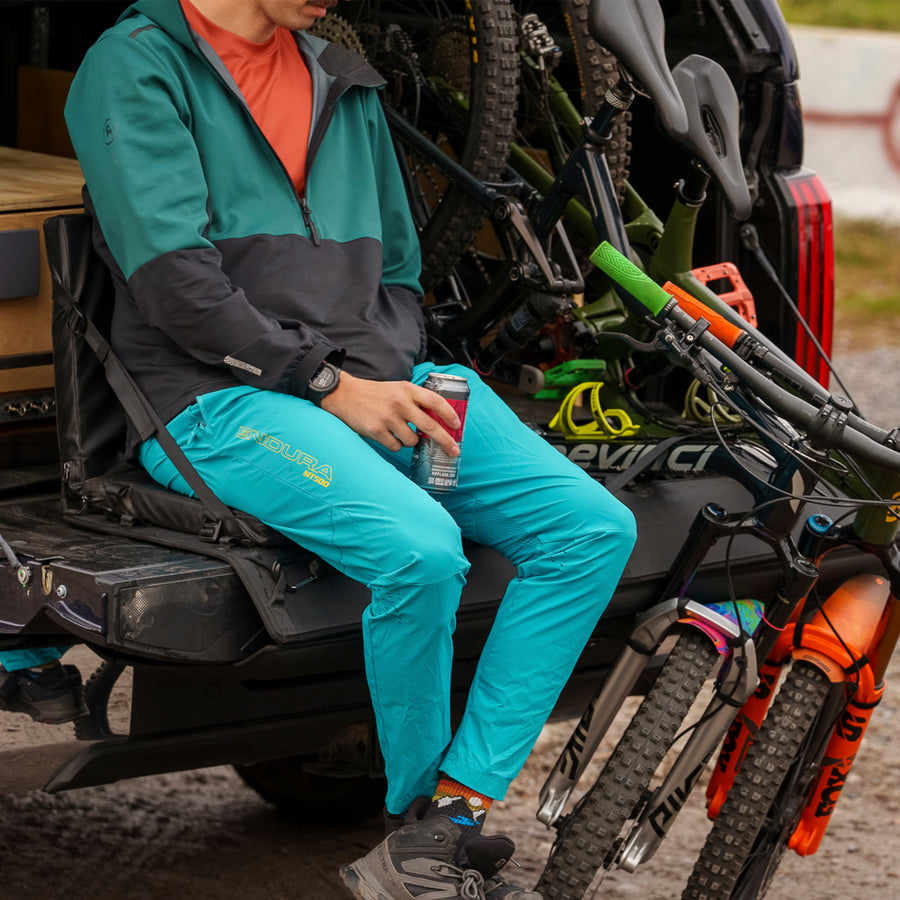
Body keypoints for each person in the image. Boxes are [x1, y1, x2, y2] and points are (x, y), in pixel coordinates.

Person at [63, 1, 637, 897]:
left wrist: (375, 378)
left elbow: (401, 273)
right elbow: (173, 284)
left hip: (364, 383)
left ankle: (456, 810)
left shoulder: (344, 78)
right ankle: (415, 829)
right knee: (421, 552)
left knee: (591, 529)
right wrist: (328, 386)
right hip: (217, 401)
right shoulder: (135, 66)